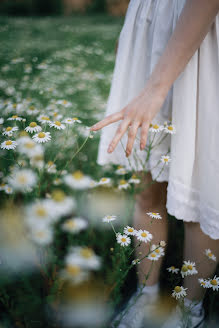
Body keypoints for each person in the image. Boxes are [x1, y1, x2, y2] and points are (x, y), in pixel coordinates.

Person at [90, 0, 219, 327]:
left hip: (197, 31)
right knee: (147, 188)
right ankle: (145, 297)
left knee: (200, 192)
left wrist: (155, 89)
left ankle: (190, 310)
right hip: (149, 26)